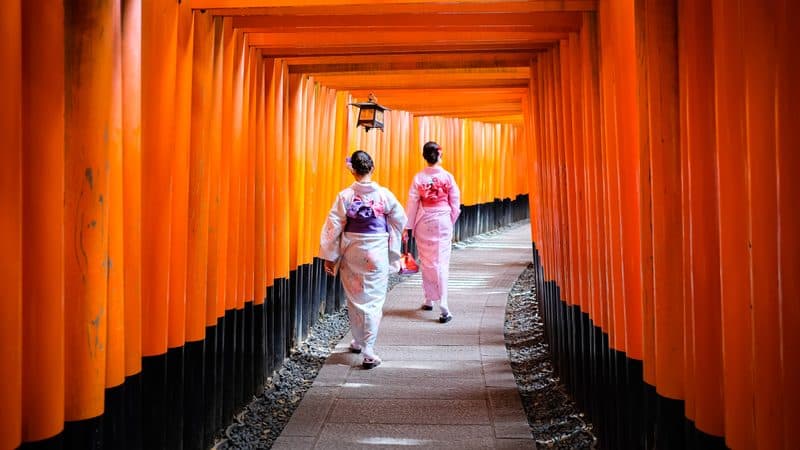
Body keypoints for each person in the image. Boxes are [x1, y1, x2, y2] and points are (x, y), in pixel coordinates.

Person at [319, 150, 407, 369]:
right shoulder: (384, 195)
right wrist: (391, 239)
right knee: (374, 302)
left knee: (356, 299)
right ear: (372, 168)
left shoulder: (345, 196)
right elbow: (400, 219)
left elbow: (333, 227)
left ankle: (360, 341)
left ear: (352, 170)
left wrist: (329, 256)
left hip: (353, 253)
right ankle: (368, 349)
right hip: (376, 253)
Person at [404, 141, 461, 323]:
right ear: (440, 155)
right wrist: (449, 219)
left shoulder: (419, 178)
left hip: (424, 221)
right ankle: (443, 304)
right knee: (441, 262)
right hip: (443, 219)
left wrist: (408, 226)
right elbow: (455, 203)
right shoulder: (448, 177)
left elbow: (412, 203)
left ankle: (429, 298)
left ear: (424, 157)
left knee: (428, 260)